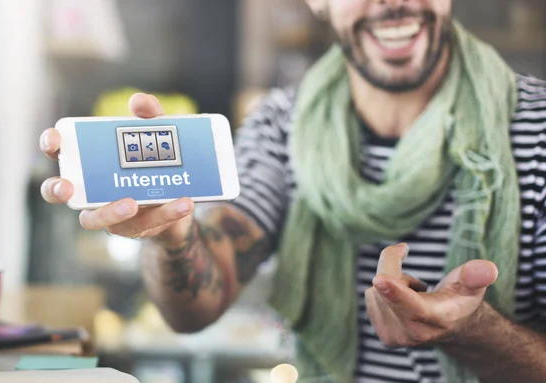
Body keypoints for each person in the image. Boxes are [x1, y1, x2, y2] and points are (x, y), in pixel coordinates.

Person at [39, 0, 546, 382]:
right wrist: (173, 235)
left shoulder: (538, 126)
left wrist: (478, 332)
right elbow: (194, 306)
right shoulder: (281, 125)